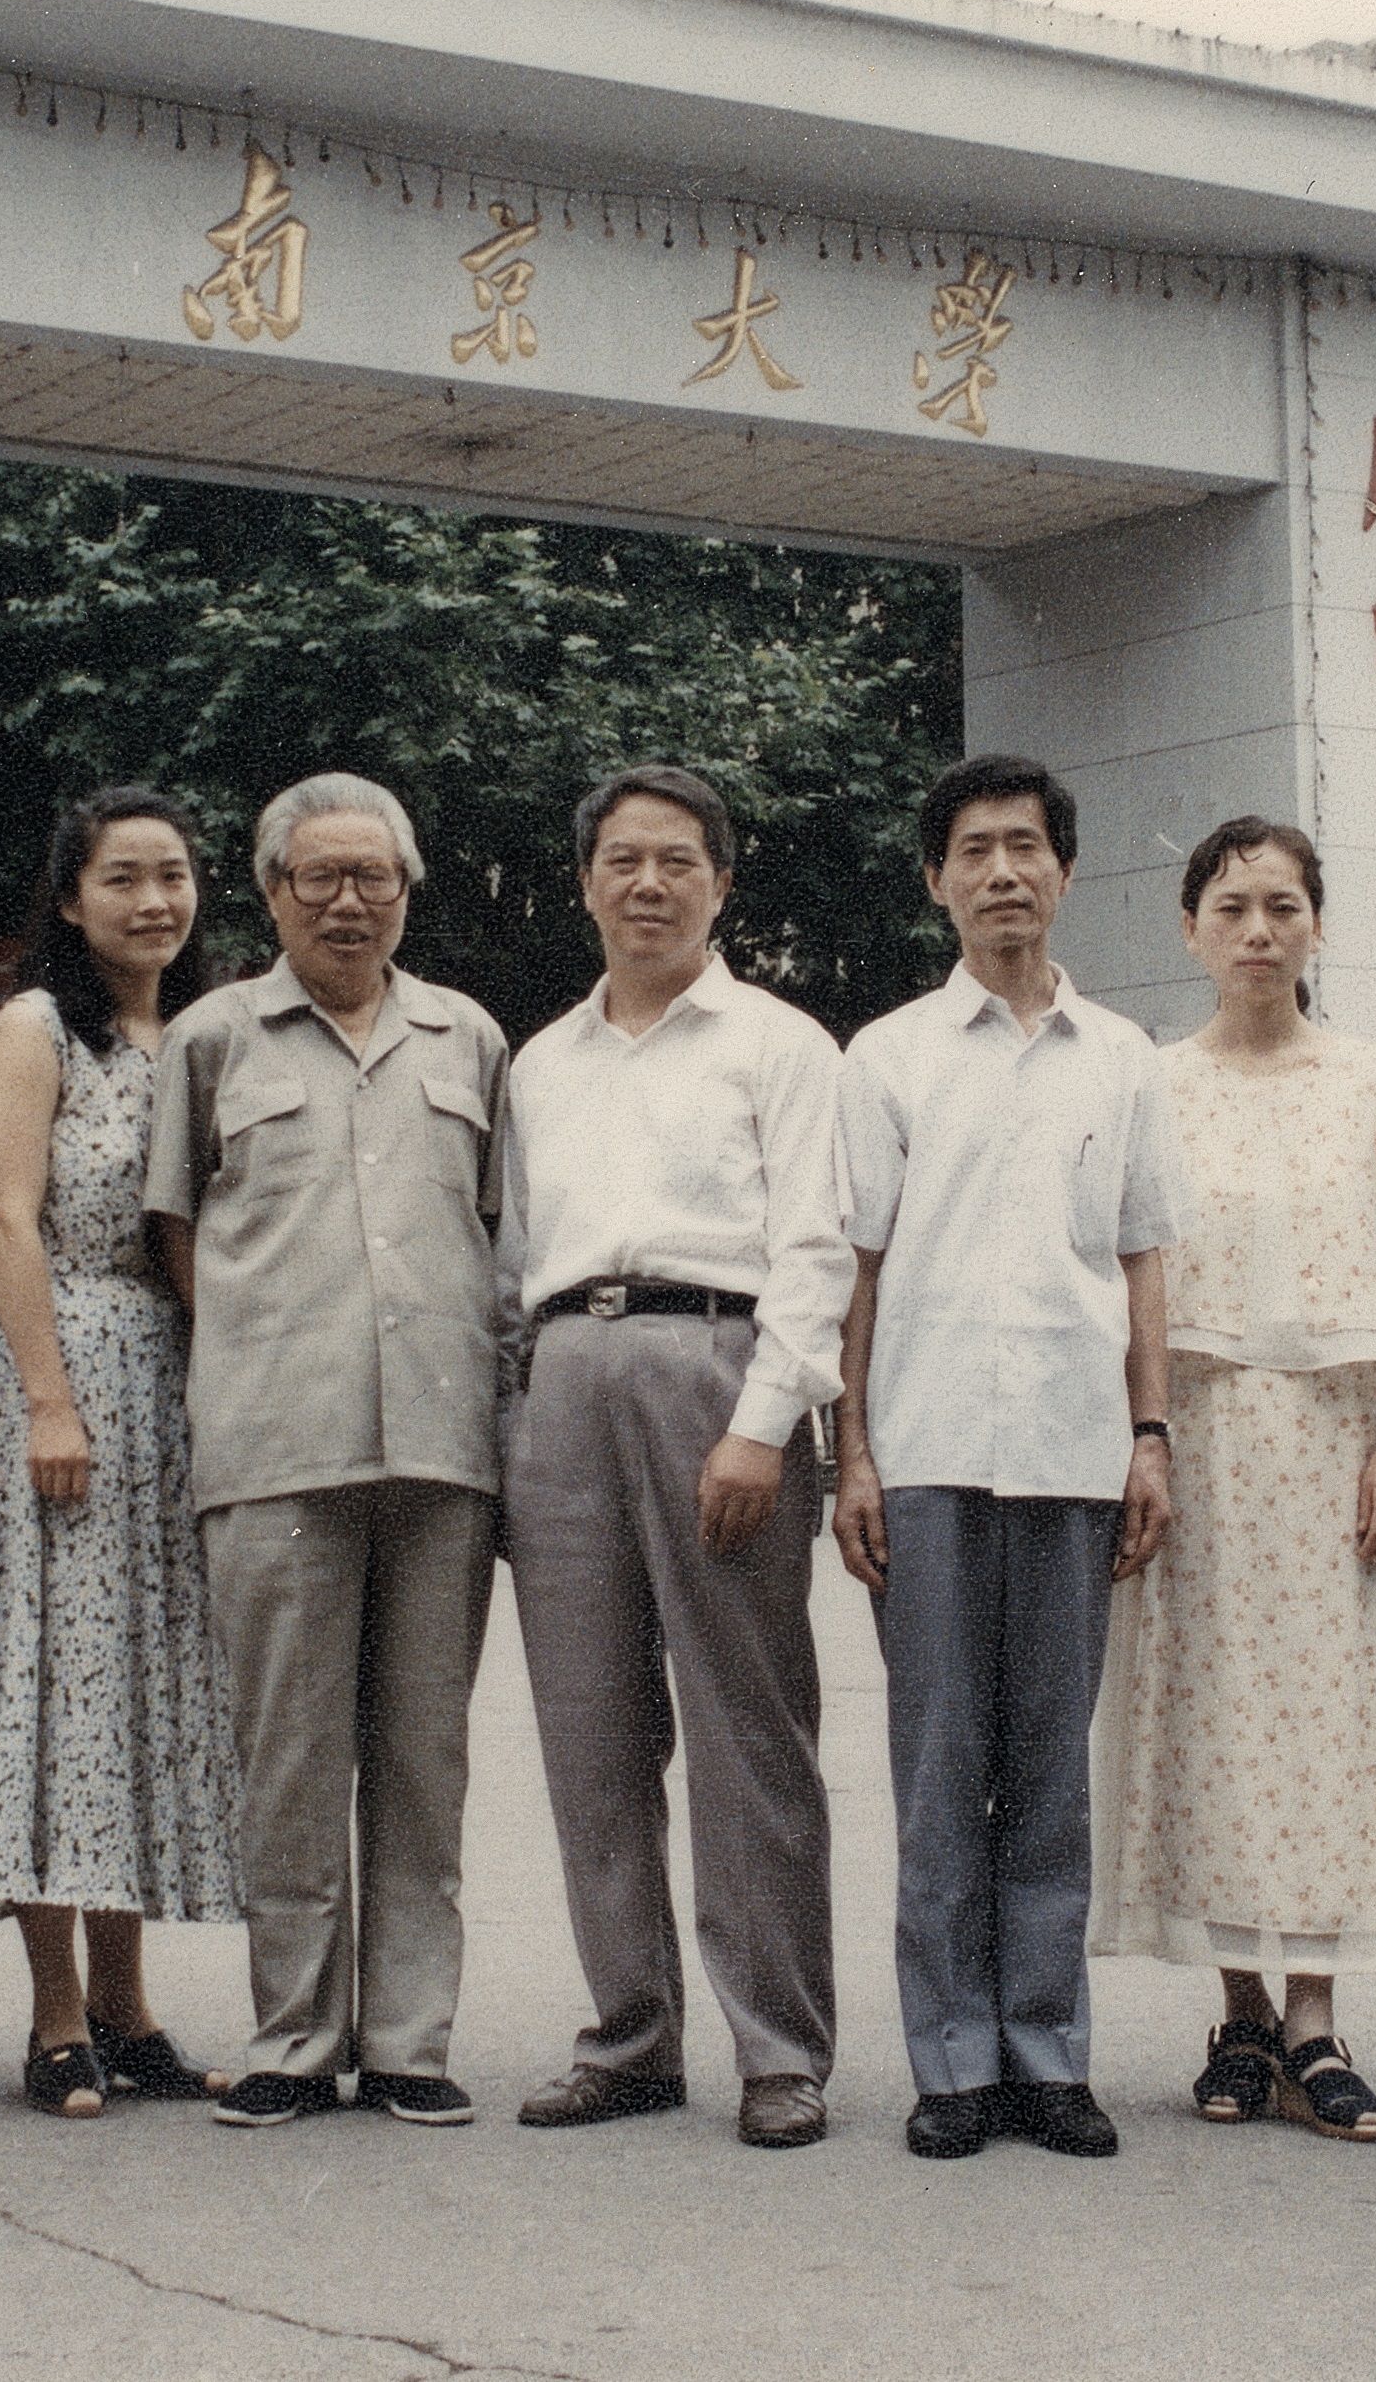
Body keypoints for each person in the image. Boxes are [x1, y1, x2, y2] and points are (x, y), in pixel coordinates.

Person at [146, 772, 510, 2131]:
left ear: (407, 891)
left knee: (423, 1762)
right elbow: (177, 1230)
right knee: (290, 1762)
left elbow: (494, 1228)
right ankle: (294, 2039)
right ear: (272, 892)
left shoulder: (468, 1037)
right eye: (322, 877)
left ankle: (409, 2039)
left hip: (440, 1446)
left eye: (376, 878)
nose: (350, 902)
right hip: (274, 1446)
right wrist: (259, 1356)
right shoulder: (212, 1038)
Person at [499, 765, 853, 2153]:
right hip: (565, 1373)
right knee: (589, 1731)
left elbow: (815, 1248)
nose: (648, 883)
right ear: (585, 881)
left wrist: (763, 1421)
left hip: (719, 1364)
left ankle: (780, 2049)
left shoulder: (779, 1044)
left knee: (745, 1727)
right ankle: (631, 2035)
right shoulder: (541, 1060)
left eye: (678, 860)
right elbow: (511, 1256)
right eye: (623, 859)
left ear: (722, 882)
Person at [836, 755, 1182, 2162]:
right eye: (972, 849)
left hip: (1074, 1453)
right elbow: (858, 1269)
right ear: (936, 880)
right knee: (939, 1771)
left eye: (1025, 846)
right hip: (925, 1453)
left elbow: (1142, 1259)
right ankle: (952, 2064)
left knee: (1049, 1771)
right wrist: (852, 1454)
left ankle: (1046, 2052)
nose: (1001, 872)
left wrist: (1150, 1435)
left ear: (1064, 870)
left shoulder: (1124, 1057)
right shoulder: (888, 1056)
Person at [1091, 816, 1376, 2143]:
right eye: (1231, 908)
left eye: (1283, 906)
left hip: (1336, 1432)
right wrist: (1144, 1433)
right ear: (1191, 930)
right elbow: (1137, 1269)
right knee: (1210, 1717)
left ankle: (1316, 2022)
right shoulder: (1152, 1083)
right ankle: (1238, 2014)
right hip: (1202, 1430)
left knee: (1329, 1726)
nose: (1258, 931)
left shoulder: (1371, 1079)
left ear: (1317, 925)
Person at [0, 787, 245, 2118]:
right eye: (121, 877)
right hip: (66, 1355)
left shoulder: (203, 1032)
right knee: (57, 1686)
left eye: (171, 874)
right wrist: (46, 1401)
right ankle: (56, 2014)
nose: (151, 900)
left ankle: (131, 2011)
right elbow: (8, 1221)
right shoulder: (34, 1026)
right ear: (71, 900)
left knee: (135, 1689)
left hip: (174, 1377)